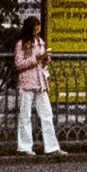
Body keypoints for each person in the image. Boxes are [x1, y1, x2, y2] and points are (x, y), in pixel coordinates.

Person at [13, 16, 64, 157]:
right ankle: (25, 147)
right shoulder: (22, 44)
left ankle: (52, 147)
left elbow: (42, 64)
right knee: (25, 115)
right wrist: (36, 59)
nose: (36, 33)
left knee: (47, 114)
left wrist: (45, 59)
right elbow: (18, 63)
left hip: (40, 81)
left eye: (38, 30)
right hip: (27, 82)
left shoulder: (40, 42)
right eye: (35, 30)